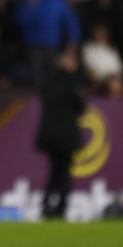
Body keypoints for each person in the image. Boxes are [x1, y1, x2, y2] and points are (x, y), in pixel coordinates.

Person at [35, 50, 85, 219]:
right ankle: (61, 207)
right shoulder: (71, 83)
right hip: (66, 136)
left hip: (49, 135)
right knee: (64, 172)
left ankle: (46, 203)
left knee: (54, 171)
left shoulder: (48, 82)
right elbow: (81, 107)